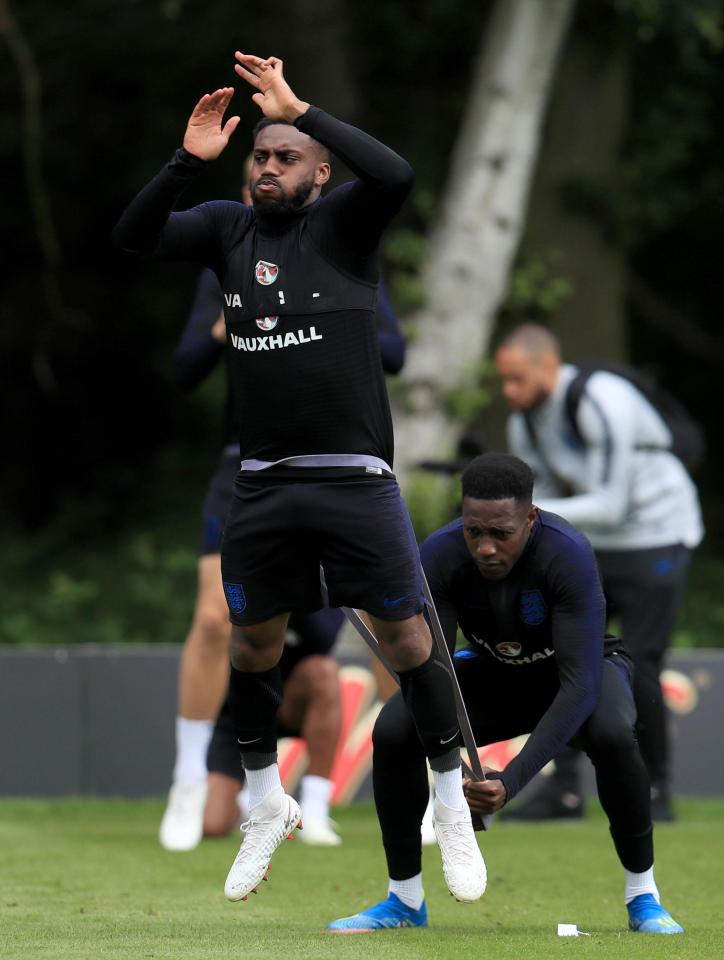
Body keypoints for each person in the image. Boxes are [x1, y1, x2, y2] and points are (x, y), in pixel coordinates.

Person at [114, 53, 485, 905]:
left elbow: (397, 171)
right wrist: (186, 163)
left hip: (355, 481)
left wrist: (301, 110)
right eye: (261, 156)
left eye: (286, 157)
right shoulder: (224, 228)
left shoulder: (349, 224)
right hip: (262, 483)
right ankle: (263, 802)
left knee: (409, 644)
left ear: (320, 172)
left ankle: (448, 799)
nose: (269, 167)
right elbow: (131, 239)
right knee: (251, 646)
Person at [327, 453, 684, 935]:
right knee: (393, 730)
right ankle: (405, 900)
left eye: (501, 533)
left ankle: (644, 896)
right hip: (494, 672)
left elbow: (579, 686)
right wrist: (453, 786)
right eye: (475, 531)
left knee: (614, 736)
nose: (486, 548)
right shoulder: (441, 555)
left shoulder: (568, 553)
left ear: (531, 519)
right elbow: (434, 672)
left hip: (577, 671)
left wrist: (509, 783)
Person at [160, 214, 407, 852]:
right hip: (250, 466)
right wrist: (229, 324)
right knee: (218, 620)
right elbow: (185, 369)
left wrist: (315, 316)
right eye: (254, 172)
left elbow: (394, 353)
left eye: (281, 163)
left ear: (316, 184)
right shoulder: (228, 263)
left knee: (387, 617)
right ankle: (192, 780)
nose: (263, 184)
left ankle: (425, 784)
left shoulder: (345, 253)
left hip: (336, 462)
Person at [494, 323, 703, 822]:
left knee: (642, 659)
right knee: (561, 654)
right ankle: (563, 791)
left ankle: (655, 791)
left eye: (517, 379)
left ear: (549, 365)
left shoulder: (601, 398)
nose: (509, 392)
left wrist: (509, 508)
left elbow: (610, 504)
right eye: (503, 381)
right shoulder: (524, 420)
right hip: (591, 543)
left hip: (656, 532)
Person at [203, 608, 345, 842]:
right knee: (213, 825)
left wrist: (284, 598)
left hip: (291, 700)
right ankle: (248, 802)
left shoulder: (322, 577)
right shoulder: (247, 576)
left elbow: (324, 635)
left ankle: (315, 811)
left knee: (324, 672)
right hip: (240, 710)